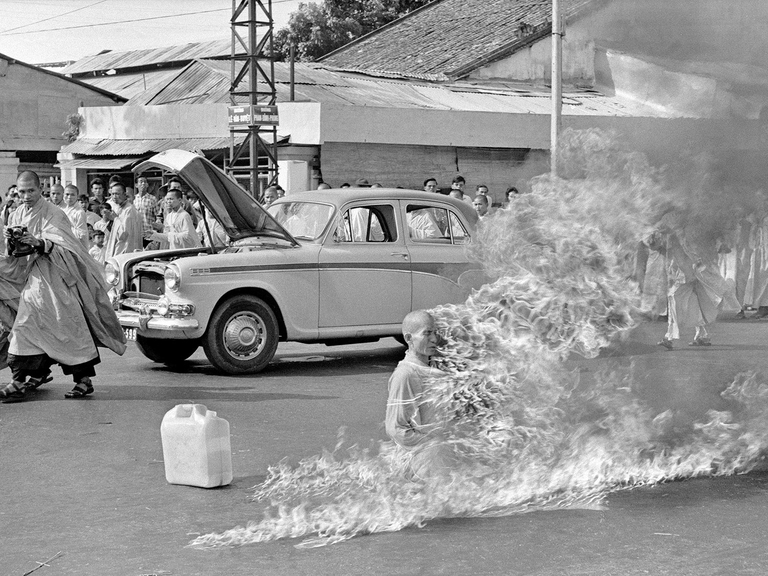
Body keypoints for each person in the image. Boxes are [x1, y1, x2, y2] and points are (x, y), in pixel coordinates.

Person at [0, 170, 126, 402]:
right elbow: (12, 252)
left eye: (31, 191)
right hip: (31, 281)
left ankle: (84, 381)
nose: (26, 196)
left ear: (41, 190)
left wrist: (39, 243)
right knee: (24, 327)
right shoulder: (15, 213)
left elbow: (68, 247)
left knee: (68, 328)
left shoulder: (54, 213)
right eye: (22, 192)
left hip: (55, 279)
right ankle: (19, 380)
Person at [386, 310, 453, 479]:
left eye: (435, 332)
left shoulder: (431, 367)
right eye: (427, 333)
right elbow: (395, 428)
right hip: (425, 464)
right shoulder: (406, 374)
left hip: (441, 458)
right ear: (409, 339)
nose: (434, 339)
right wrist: (432, 445)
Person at [658, 231, 727, 350]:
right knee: (695, 303)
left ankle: (669, 337)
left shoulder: (677, 235)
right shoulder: (678, 234)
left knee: (674, 300)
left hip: (685, 277)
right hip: (688, 276)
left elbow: (685, 256)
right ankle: (702, 335)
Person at [103, 181, 143, 258]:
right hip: (119, 248)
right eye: (112, 194)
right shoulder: (119, 208)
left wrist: (115, 219)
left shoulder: (129, 210)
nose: (114, 197)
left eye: (117, 194)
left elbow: (123, 234)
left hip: (126, 250)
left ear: (124, 194)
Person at [134, 175, 160, 248]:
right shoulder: (133, 199)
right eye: (141, 182)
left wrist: (156, 227)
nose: (143, 184)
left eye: (145, 182)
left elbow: (158, 215)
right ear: (136, 185)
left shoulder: (152, 199)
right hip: (137, 234)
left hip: (149, 233)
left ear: (147, 185)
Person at [61, 184, 89, 249]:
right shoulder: (62, 210)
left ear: (77, 196)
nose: (69, 197)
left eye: (72, 195)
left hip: (76, 247)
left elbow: (82, 234)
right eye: (67, 194)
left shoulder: (79, 212)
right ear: (63, 195)